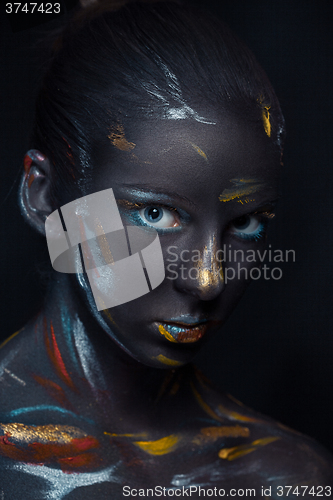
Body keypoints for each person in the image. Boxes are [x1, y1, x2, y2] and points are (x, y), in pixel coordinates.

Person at [0, 0, 332, 497]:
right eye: (155, 214)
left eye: (245, 222)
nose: (207, 280)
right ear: (44, 195)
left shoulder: (285, 476)